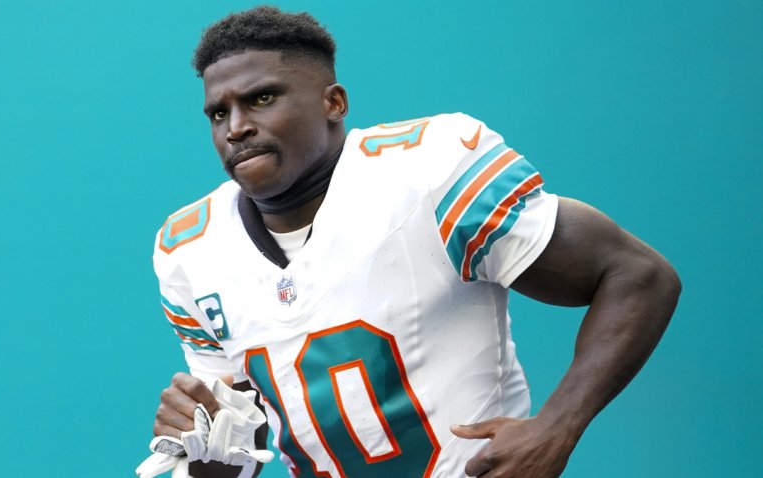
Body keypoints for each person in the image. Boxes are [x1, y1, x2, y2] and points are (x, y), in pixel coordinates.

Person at [146, 6, 681, 478]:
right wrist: (204, 446)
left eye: (261, 98)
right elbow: (243, 446)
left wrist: (557, 429)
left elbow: (639, 275)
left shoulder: (426, 172)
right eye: (219, 113)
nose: (236, 127)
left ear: (334, 102)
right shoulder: (190, 248)